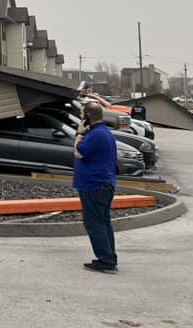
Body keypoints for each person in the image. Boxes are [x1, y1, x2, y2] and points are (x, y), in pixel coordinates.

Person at [73, 102, 118, 273]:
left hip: (94, 186)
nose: (80, 117)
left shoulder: (95, 135)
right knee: (103, 222)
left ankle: (105, 260)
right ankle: (109, 257)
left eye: (81, 114)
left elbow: (78, 152)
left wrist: (79, 133)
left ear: (87, 117)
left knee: (94, 223)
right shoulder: (104, 133)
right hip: (103, 185)